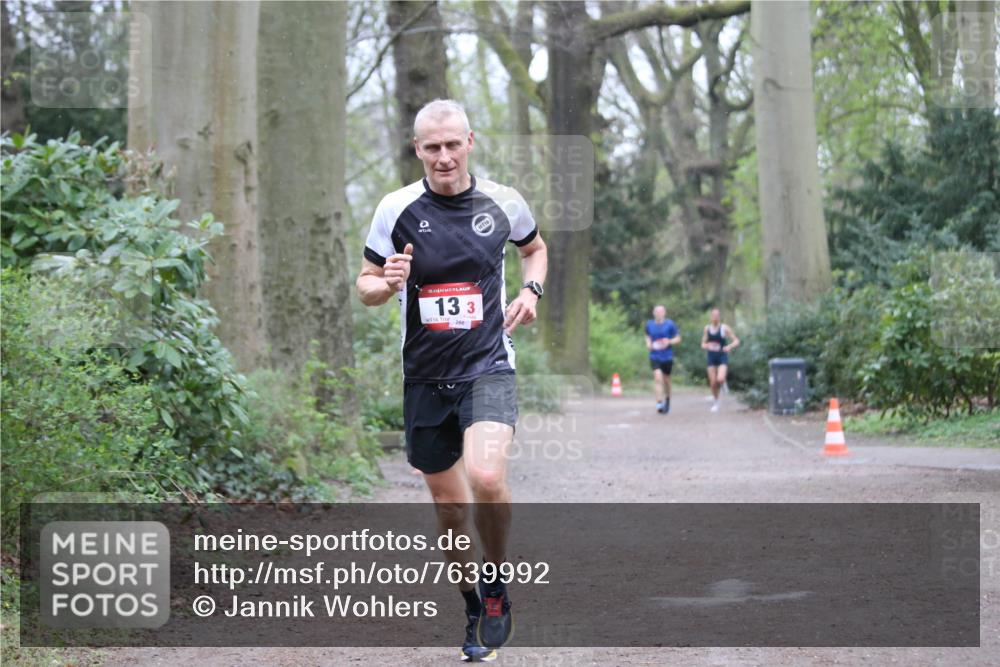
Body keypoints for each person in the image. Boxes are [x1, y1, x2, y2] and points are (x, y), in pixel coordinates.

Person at [356, 99, 547, 662]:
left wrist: (531, 291)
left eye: (452, 144)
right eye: (432, 147)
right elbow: (365, 285)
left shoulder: (503, 201)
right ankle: (472, 605)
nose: (443, 157)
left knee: (486, 475)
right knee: (449, 509)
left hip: (487, 366)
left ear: (470, 141)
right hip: (424, 377)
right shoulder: (395, 209)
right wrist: (387, 283)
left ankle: (496, 580)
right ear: (417, 149)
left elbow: (535, 250)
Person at [700, 308, 740, 413]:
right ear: (711, 317)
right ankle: (716, 402)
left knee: (720, 378)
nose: (715, 317)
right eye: (713, 315)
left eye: (717, 315)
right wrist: (707, 345)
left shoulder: (724, 328)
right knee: (713, 382)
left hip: (722, 356)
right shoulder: (707, 329)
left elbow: (736, 341)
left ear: (719, 317)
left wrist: (729, 346)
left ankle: (723, 383)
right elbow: (702, 344)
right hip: (711, 357)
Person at [645, 305, 681, 414]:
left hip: (667, 356)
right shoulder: (649, 324)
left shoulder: (670, 324)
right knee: (657, 377)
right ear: (653, 313)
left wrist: (669, 341)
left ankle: (667, 399)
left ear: (664, 313)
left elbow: (678, 338)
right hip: (655, 355)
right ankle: (659, 403)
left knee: (666, 380)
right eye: (657, 311)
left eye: (660, 312)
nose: (658, 314)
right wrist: (648, 344)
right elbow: (647, 336)